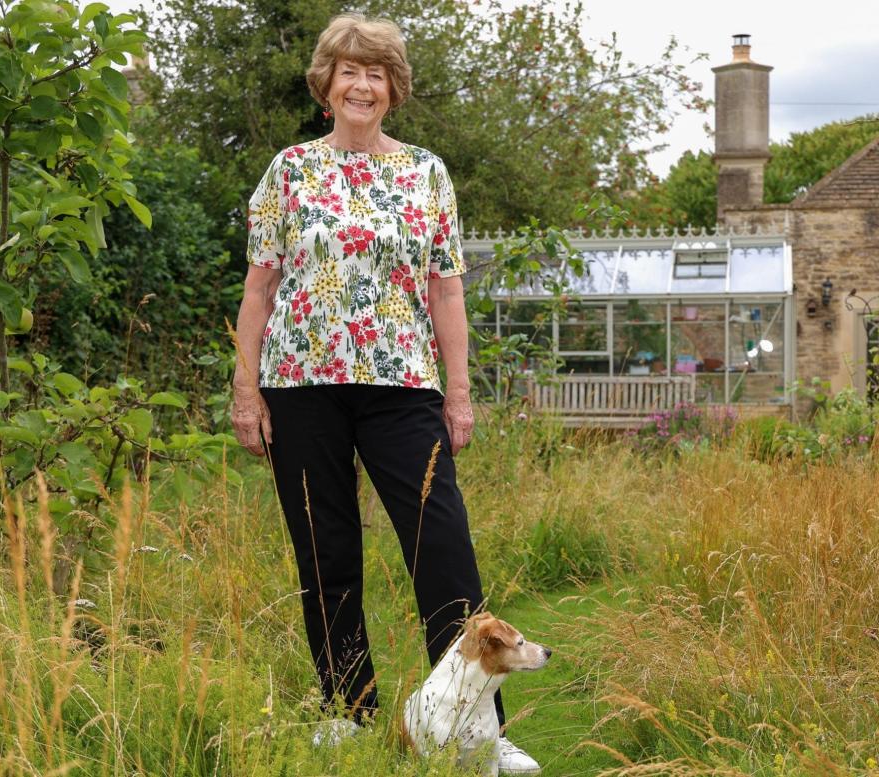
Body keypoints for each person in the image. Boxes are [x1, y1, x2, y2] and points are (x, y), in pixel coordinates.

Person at [229, 12, 541, 775]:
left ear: (393, 89)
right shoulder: (290, 170)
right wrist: (248, 391)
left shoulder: (426, 173)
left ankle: (480, 728)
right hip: (301, 385)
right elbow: (260, 289)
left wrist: (459, 393)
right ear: (326, 85)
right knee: (326, 550)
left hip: (403, 386)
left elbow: (447, 291)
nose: (361, 84)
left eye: (376, 73)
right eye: (348, 71)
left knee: (444, 551)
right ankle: (348, 709)